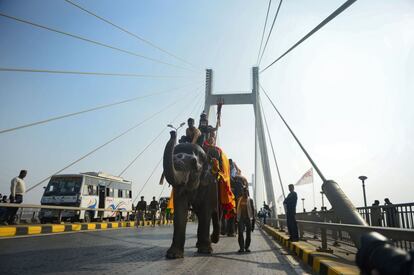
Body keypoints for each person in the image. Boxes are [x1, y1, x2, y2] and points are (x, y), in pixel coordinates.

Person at [236, 187, 255, 253]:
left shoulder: (250, 200)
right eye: (244, 191)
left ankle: (246, 247)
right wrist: (236, 219)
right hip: (240, 218)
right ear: (242, 192)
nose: (245, 193)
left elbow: (253, 211)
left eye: (246, 191)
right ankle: (241, 248)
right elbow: (236, 209)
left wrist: (253, 223)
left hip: (248, 218)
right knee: (240, 233)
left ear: (247, 192)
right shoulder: (239, 200)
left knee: (248, 234)